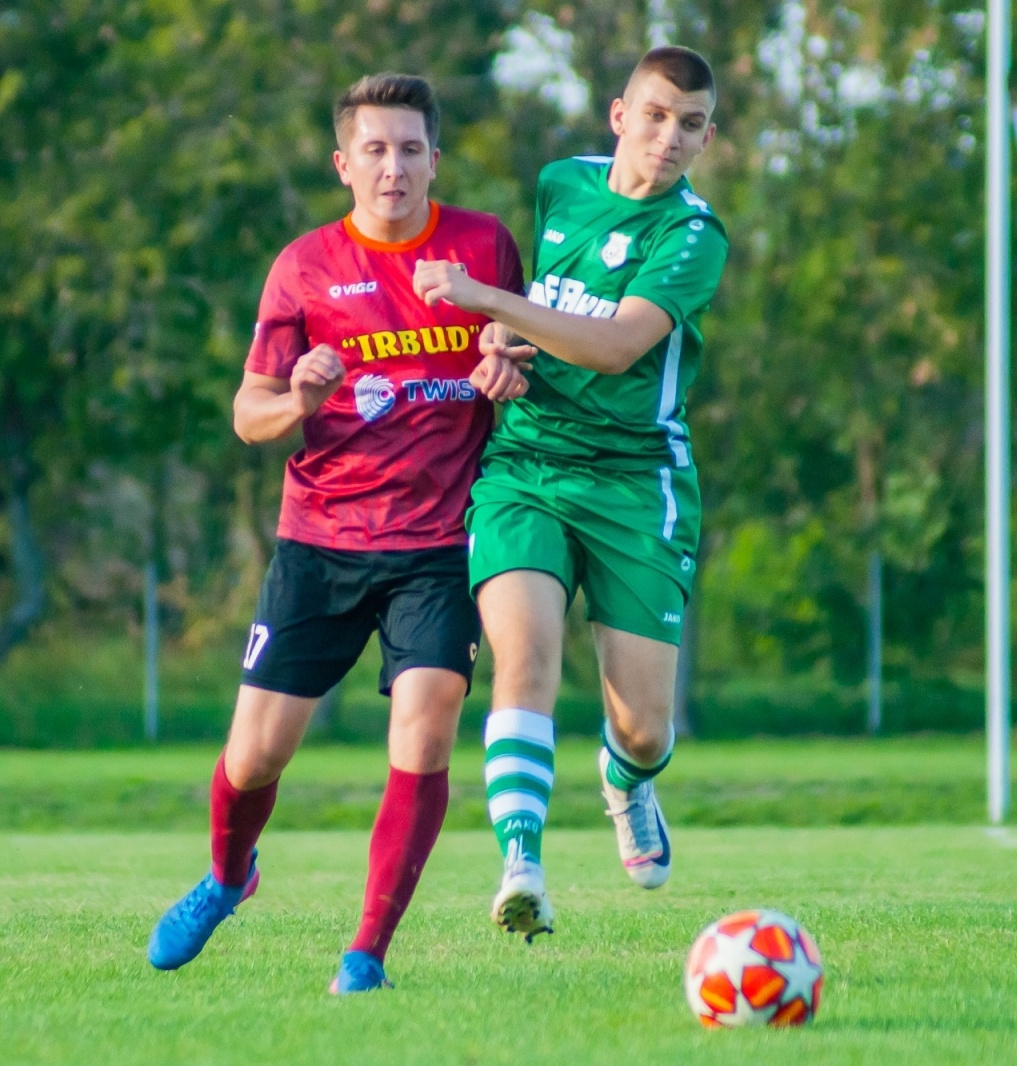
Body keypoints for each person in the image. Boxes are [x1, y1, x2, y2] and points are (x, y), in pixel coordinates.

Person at [146, 72, 529, 993]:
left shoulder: (483, 248)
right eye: (374, 149)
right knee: (255, 757)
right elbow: (249, 413)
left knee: (427, 727)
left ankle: (366, 953)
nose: (392, 167)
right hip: (318, 543)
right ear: (343, 164)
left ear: (435, 158)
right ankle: (230, 875)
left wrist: (510, 369)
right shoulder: (304, 267)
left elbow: (526, 354)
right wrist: (301, 399)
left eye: (409, 149)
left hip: (437, 546)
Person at [412, 46, 727, 941]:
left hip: (637, 481)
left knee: (641, 729)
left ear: (708, 137)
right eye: (658, 115)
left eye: (692, 124)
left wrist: (484, 303)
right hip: (528, 467)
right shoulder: (561, 184)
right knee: (526, 655)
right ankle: (522, 863)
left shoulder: (693, 235)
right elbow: (546, 318)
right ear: (620, 113)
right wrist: (498, 354)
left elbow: (617, 345)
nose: (671, 139)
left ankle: (626, 786)